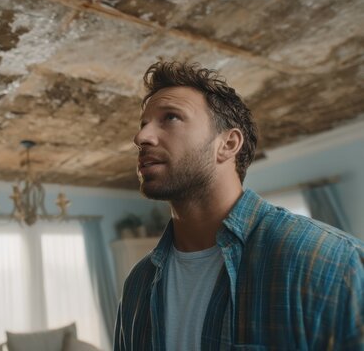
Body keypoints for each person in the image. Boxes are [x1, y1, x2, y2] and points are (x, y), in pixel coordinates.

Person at [114, 61, 363, 350]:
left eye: (170, 117)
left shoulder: (332, 263)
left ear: (228, 144)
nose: (140, 137)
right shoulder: (137, 284)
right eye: (143, 124)